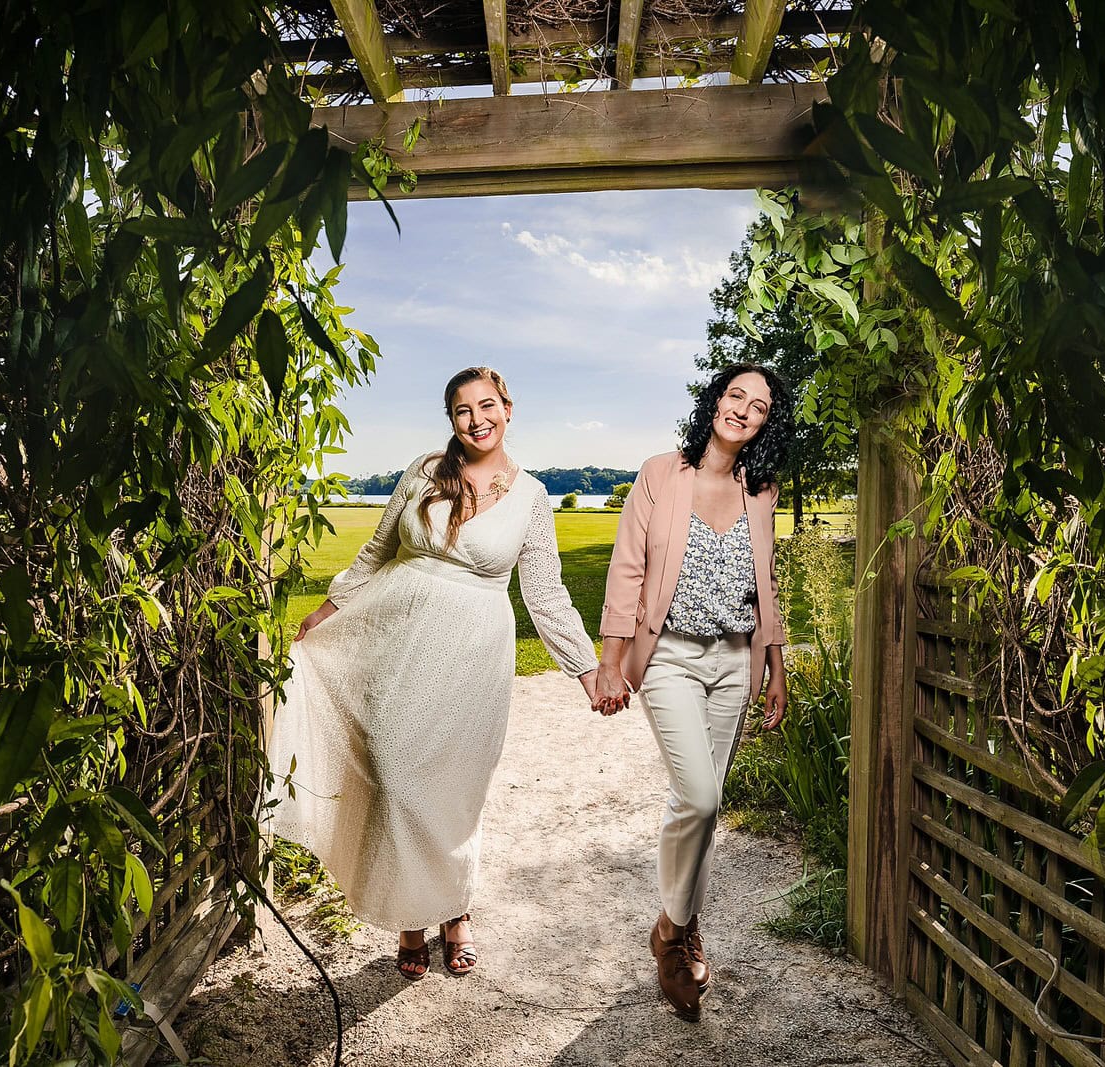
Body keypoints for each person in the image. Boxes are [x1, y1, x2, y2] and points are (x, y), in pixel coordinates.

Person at [268, 366, 600, 980]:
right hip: (398, 640)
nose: (477, 420)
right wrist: (326, 609)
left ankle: (456, 913)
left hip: (475, 654)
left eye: (487, 406)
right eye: (462, 410)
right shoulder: (424, 472)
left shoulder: (531, 497)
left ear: (508, 407)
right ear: (450, 419)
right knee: (394, 777)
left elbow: (547, 595)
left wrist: (587, 670)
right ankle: (410, 917)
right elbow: (375, 551)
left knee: (455, 787)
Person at [591, 363, 793, 1021]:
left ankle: (677, 924)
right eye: (736, 394)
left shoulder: (760, 490)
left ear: (766, 424)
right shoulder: (660, 473)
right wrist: (611, 661)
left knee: (702, 807)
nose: (743, 409)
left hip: (736, 661)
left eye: (758, 406)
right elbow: (627, 566)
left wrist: (777, 666)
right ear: (715, 400)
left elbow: (767, 583)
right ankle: (675, 933)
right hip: (672, 654)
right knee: (699, 797)